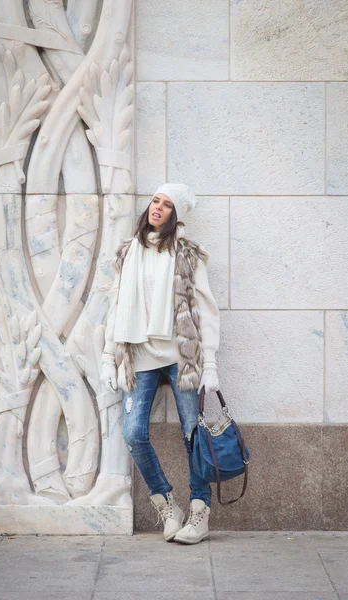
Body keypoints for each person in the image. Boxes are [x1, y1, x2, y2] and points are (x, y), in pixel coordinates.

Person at [100, 183, 220, 545]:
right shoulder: (129, 252)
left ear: (175, 215)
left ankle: (200, 511)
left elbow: (206, 309)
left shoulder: (187, 254)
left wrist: (209, 362)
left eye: (167, 205)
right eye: (156, 201)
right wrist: (109, 356)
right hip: (139, 355)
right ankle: (168, 504)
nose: (158, 208)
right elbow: (116, 305)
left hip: (179, 358)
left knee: (192, 434)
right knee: (134, 433)